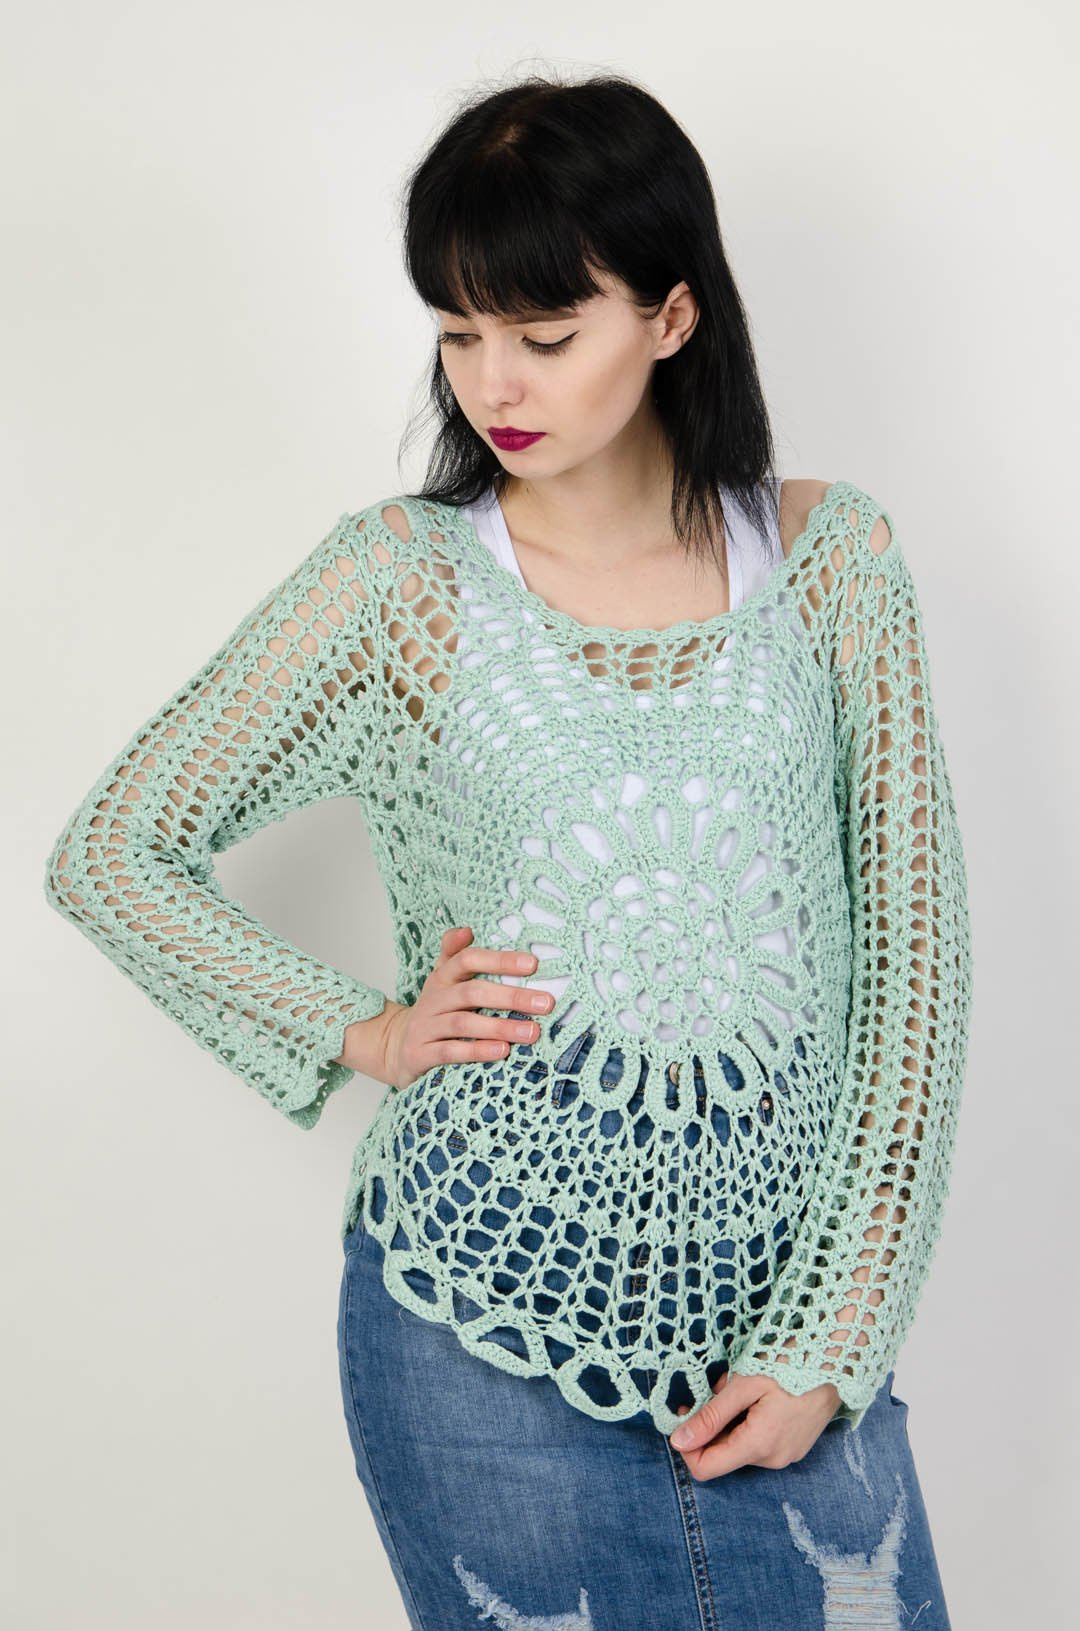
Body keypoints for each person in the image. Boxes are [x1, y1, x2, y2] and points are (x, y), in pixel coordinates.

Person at [44, 70, 972, 1631]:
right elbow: (117, 851)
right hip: (477, 1321)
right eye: (459, 333)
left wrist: (835, 1329)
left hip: (791, 1310)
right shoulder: (398, 583)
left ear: (672, 316)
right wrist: (363, 1030)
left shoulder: (831, 564)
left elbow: (912, 974)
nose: (494, 384)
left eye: (545, 334)